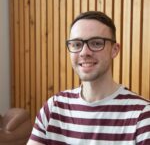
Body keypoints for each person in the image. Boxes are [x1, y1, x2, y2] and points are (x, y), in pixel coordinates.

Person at [27, 11, 150, 145]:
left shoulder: (143, 115)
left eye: (96, 43)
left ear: (114, 50)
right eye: (77, 44)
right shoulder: (53, 108)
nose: (85, 52)